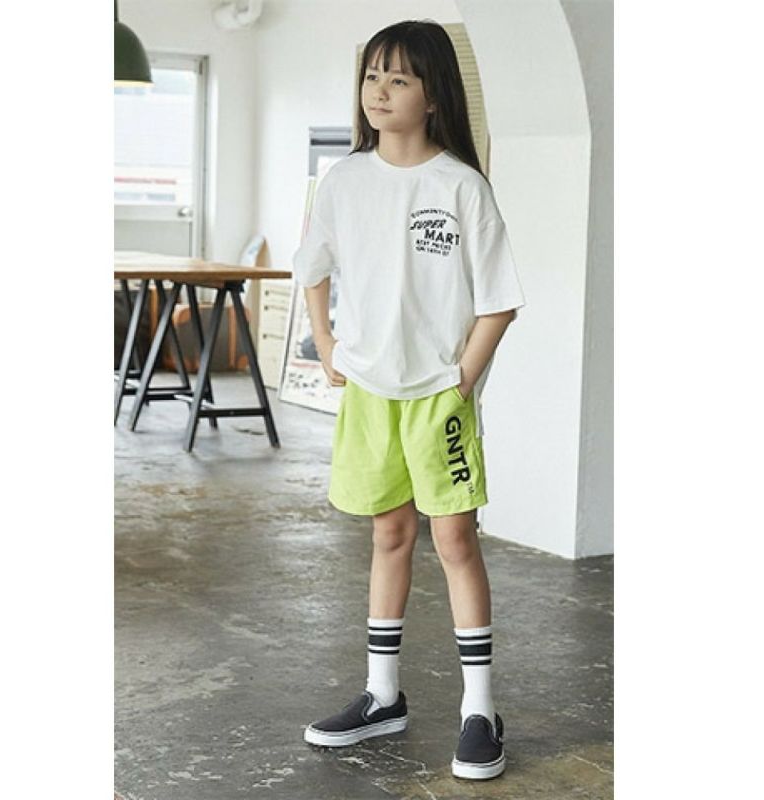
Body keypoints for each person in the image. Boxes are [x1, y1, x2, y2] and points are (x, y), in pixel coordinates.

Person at [292, 20, 526, 782]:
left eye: (398, 79)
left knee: (455, 541)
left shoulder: (460, 185)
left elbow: (498, 301)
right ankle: (382, 695)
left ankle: (479, 710)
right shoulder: (344, 181)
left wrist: (463, 378)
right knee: (388, 534)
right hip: (370, 393)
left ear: (433, 96)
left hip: (437, 398)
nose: (379, 92)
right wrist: (327, 344)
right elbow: (313, 267)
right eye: (372, 76)